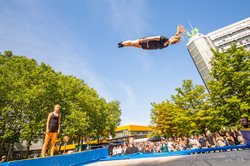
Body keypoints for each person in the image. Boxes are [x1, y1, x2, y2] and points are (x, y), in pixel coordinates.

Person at [118, 25, 186, 50]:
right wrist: (143, 39)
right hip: (145, 41)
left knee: (133, 45)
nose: (173, 43)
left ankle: (123, 46)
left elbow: (156, 47)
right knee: (133, 42)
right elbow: (153, 37)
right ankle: (122, 43)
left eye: (174, 43)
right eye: (174, 41)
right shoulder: (163, 38)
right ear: (172, 38)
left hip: (147, 47)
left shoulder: (166, 46)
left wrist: (148, 49)